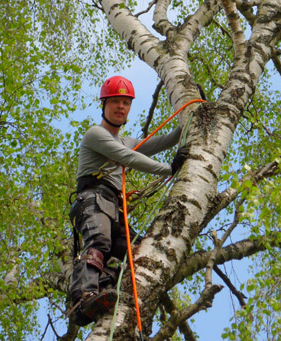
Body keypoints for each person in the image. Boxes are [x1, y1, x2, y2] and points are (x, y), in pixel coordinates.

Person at [68, 75, 189, 326]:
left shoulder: (128, 141)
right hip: (94, 199)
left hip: (115, 208)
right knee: (99, 241)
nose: (121, 107)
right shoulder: (95, 134)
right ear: (104, 104)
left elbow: (166, 140)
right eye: (115, 102)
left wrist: (191, 114)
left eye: (126, 102)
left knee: (138, 253)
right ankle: (83, 299)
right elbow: (128, 158)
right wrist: (169, 168)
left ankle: (102, 287)